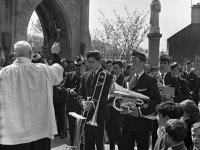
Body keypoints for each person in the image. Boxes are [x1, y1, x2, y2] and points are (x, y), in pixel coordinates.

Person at [0, 40, 63, 150]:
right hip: (40, 133)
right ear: (31, 53)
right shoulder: (43, 70)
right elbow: (58, 73)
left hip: (12, 136)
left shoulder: (3, 73)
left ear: (15, 54)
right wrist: (55, 54)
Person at [121, 50, 161, 150]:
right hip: (127, 123)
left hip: (142, 124)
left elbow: (156, 101)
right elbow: (120, 98)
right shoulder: (126, 80)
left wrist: (139, 111)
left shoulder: (150, 80)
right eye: (131, 61)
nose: (132, 64)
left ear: (143, 63)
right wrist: (122, 107)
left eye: (135, 61)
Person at [78, 50, 113, 150]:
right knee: (87, 144)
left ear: (99, 61)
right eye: (88, 62)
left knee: (99, 145)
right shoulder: (85, 75)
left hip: (100, 116)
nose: (90, 64)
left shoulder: (108, 76)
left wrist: (93, 104)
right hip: (87, 115)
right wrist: (83, 102)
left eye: (93, 62)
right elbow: (80, 93)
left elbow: (109, 97)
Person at [64, 55, 86, 146]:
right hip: (71, 106)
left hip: (81, 106)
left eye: (79, 67)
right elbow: (62, 87)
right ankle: (73, 145)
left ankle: (81, 146)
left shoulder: (87, 76)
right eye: (76, 68)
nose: (77, 70)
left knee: (81, 128)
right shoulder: (69, 75)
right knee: (72, 128)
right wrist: (69, 90)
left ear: (83, 66)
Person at [106, 60, 124, 150]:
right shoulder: (111, 78)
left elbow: (120, 95)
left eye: (116, 68)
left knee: (118, 134)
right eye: (113, 68)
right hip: (109, 111)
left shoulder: (123, 79)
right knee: (110, 135)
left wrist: (109, 100)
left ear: (121, 69)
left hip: (117, 112)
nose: (114, 70)